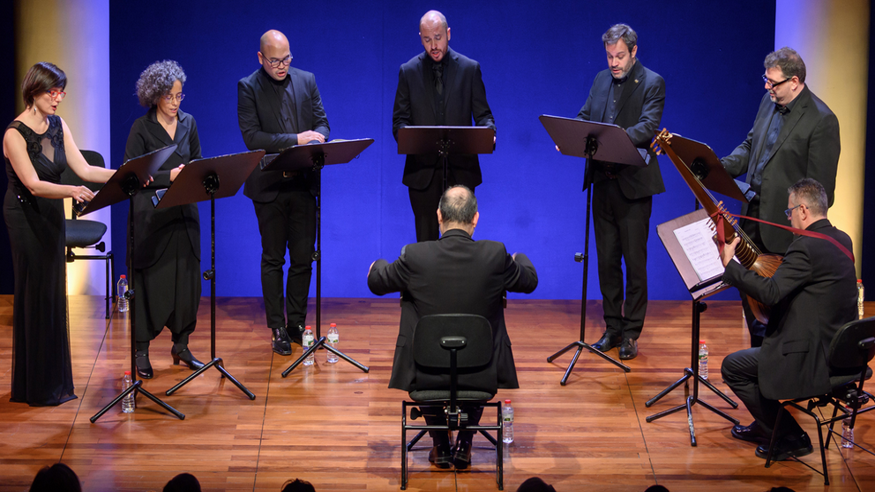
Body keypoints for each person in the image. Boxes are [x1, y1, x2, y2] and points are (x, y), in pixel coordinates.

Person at [368, 185, 538, 469]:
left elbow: (377, 282)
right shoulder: (496, 255)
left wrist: (377, 264)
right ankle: (466, 443)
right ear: (475, 219)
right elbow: (529, 280)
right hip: (481, 371)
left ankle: (440, 445)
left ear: (438, 216)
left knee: (413, 309)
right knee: (479, 338)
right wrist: (517, 257)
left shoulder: (414, 255)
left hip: (425, 371)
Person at [720, 179, 856, 461]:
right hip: (842, 353)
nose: (789, 217)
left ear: (803, 210)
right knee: (757, 355)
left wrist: (730, 266)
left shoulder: (805, 247)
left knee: (733, 367)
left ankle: (788, 435)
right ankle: (768, 426)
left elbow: (771, 293)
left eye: (789, 211)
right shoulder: (842, 239)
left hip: (812, 360)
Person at [3, 62, 115, 406]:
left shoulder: (58, 125)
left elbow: (84, 168)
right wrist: (72, 192)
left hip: (51, 216)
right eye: (52, 92)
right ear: (33, 91)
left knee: (53, 295)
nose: (58, 98)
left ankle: (53, 383)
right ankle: (33, 387)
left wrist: (127, 175)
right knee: (35, 295)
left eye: (61, 92)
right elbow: (34, 185)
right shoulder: (13, 134)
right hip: (24, 216)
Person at [720, 47, 841, 347]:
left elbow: (821, 192)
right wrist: (719, 168)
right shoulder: (768, 101)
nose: (766, 87)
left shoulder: (822, 120)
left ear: (795, 82)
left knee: (779, 314)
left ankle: (777, 372)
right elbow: (750, 146)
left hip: (785, 232)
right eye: (766, 79)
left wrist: (799, 228)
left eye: (773, 82)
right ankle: (758, 363)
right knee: (752, 303)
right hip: (752, 219)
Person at [573, 24, 665, 360]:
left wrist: (611, 138)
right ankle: (612, 327)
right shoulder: (600, 80)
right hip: (603, 183)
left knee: (634, 263)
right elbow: (585, 116)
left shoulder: (652, 83)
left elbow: (647, 126)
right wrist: (574, 134)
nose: (614, 62)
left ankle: (631, 333)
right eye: (610, 56)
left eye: (620, 56)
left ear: (634, 51)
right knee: (607, 261)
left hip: (633, 185)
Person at [238, 29, 330, 355]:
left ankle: (295, 324)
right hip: (270, 186)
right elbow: (253, 137)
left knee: (303, 259)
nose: (282, 65)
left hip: (303, 183)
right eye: (275, 60)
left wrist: (317, 136)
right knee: (274, 259)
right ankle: (276, 327)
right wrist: (295, 139)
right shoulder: (248, 87)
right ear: (261, 58)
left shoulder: (306, 80)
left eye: (287, 58)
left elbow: (322, 123)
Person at [124, 60, 204, 379]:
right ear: (155, 95)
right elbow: (131, 174)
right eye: (169, 97)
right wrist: (165, 176)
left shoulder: (189, 123)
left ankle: (181, 345)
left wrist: (193, 174)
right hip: (152, 217)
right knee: (151, 284)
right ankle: (141, 350)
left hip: (184, 212)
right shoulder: (141, 129)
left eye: (179, 96)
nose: (174, 103)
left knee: (186, 281)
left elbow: (197, 160)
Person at [392, 10, 496, 243]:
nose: (433, 45)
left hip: (461, 172)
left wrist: (490, 133)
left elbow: (484, 116)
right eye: (427, 40)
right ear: (421, 38)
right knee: (426, 245)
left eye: (438, 37)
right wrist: (407, 138)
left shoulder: (470, 69)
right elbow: (399, 121)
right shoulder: (408, 72)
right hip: (422, 176)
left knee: (460, 244)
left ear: (448, 34)